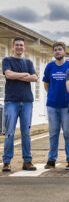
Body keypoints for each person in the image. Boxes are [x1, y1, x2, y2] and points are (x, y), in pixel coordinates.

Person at [2, 37, 38, 172]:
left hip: (27, 101)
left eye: (21, 45)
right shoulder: (7, 61)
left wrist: (19, 75)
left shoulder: (28, 62)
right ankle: (6, 162)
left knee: (26, 133)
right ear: (12, 47)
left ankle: (27, 161)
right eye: (17, 45)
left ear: (25, 48)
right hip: (11, 101)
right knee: (10, 132)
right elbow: (9, 75)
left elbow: (34, 77)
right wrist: (24, 74)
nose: (19, 47)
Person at [43, 42, 69, 169]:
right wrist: (52, 94)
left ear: (65, 52)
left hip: (67, 105)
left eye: (60, 49)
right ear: (53, 52)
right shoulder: (49, 66)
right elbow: (46, 84)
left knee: (68, 133)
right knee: (53, 133)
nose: (57, 51)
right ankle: (51, 159)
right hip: (52, 105)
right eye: (55, 50)